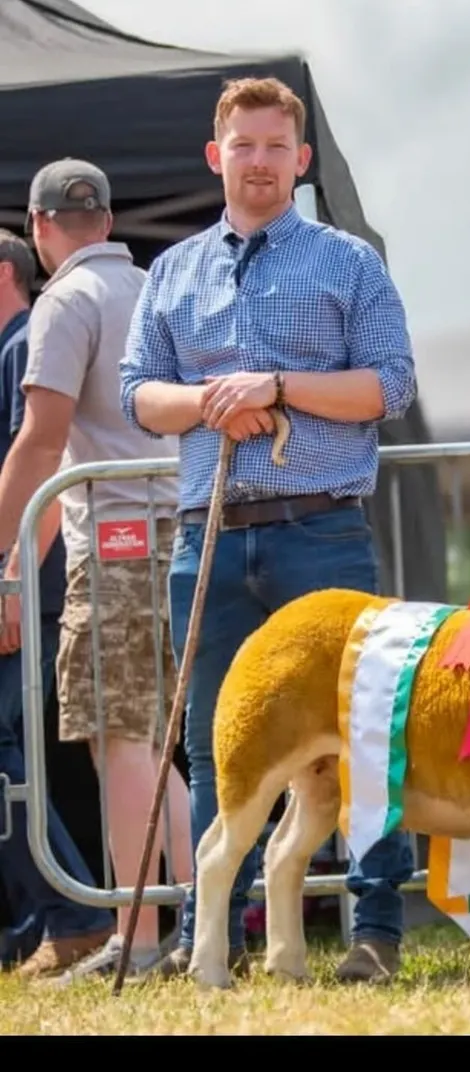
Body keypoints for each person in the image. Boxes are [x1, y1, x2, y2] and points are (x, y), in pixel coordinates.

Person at [118, 76, 418, 985]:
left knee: (365, 734)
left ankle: (375, 930)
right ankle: (217, 936)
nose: (258, 161)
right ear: (217, 157)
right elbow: (138, 396)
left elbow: (388, 387)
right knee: (218, 743)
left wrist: (278, 388)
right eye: (241, 145)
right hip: (208, 540)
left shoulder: (349, 262)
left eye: (273, 146)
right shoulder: (169, 272)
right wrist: (214, 402)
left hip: (320, 532)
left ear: (301, 159)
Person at [0, 166, 196, 982]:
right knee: (159, 745)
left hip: (114, 538)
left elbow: (41, 439)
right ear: (108, 218)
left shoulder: (64, 302)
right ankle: (194, 921)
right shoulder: (158, 285)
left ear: (41, 229)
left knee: (122, 739)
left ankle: (145, 937)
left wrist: (2, 558)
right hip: (177, 532)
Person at [0, 228, 115, 976]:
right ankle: (45, 920)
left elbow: (40, 464)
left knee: (12, 753)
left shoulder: (22, 346)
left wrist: (10, 581)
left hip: (27, 583)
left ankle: (72, 917)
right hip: (27, 579)